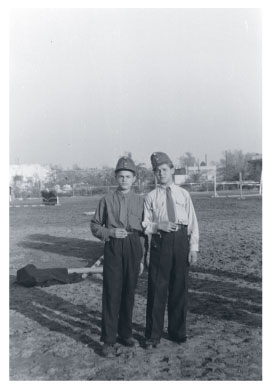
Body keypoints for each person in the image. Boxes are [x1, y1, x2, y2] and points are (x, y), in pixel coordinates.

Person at [142, 151, 199, 349]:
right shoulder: (151, 197)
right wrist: (159, 226)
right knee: (157, 289)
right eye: (157, 171)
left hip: (181, 241)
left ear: (172, 170)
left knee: (179, 288)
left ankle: (177, 332)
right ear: (154, 174)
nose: (161, 174)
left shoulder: (184, 194)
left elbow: (192, 223)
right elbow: (145, 224)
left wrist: (193, 248)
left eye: (164, 170)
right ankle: (152, 335)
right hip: (160, 242)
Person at [91, 156, 145, 357]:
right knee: (112, 293)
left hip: (133, 245)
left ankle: (125, 333)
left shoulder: (141, 201)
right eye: (121, 176)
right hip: (113, 246)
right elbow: (95, 225)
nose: (124, 179)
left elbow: (144, 232)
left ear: (134, 179)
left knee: (129, 293)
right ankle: (108, 340)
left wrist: (141, 257)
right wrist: (110, 233)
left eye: (128, 176)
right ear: (116, 177)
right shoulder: (105, 200)